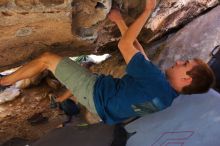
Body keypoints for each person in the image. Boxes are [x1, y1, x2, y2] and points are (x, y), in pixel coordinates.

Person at [0, 0, 215, 125]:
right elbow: (140, 56)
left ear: (186, 78)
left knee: (47, 58)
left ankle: (4, 81)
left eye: (184, 64)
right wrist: (120, 21)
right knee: (76, 70)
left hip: (95, 92)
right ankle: (58, 96)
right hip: (103, 107)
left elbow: (125, 46)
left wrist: (147, 10)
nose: (178, 62)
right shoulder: (166, 96)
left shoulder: (156, 81)